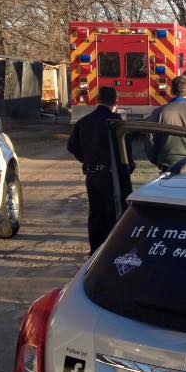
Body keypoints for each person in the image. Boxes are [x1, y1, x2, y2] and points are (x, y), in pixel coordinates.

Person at [67, 86, 120, 255]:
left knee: (96, 214)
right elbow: (124, 150)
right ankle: (111, 251)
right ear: (116, 102)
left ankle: (95, 251)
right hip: (112, 176)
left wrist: (87, 160)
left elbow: (72, 147)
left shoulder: (84, 122)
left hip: (92, 175)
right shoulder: (116, 123)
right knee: (114, 215)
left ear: (98, 100)